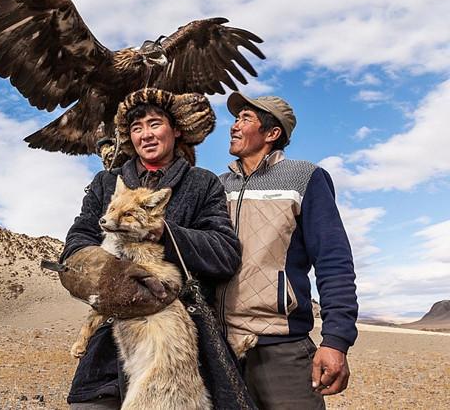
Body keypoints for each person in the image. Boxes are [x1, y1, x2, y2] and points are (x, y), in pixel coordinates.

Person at [58, 89, 241, 408]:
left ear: (176, 130)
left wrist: (167, 234)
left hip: (172, 341)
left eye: (154, 124)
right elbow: (77, 243)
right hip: (107, 347)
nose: (146, 134)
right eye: (136, 128)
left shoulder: (203, 184)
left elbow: (225, 252)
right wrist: (114, 278)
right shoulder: (106, 182)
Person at [218, 92, 359, 409]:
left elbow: (333, 261)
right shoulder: (217, 185)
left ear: (271, 133)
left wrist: (336, 341)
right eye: (235, 118)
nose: (234, 126)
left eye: (245, 118)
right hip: (222, 348)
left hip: (284, 347)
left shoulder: (305, 177)